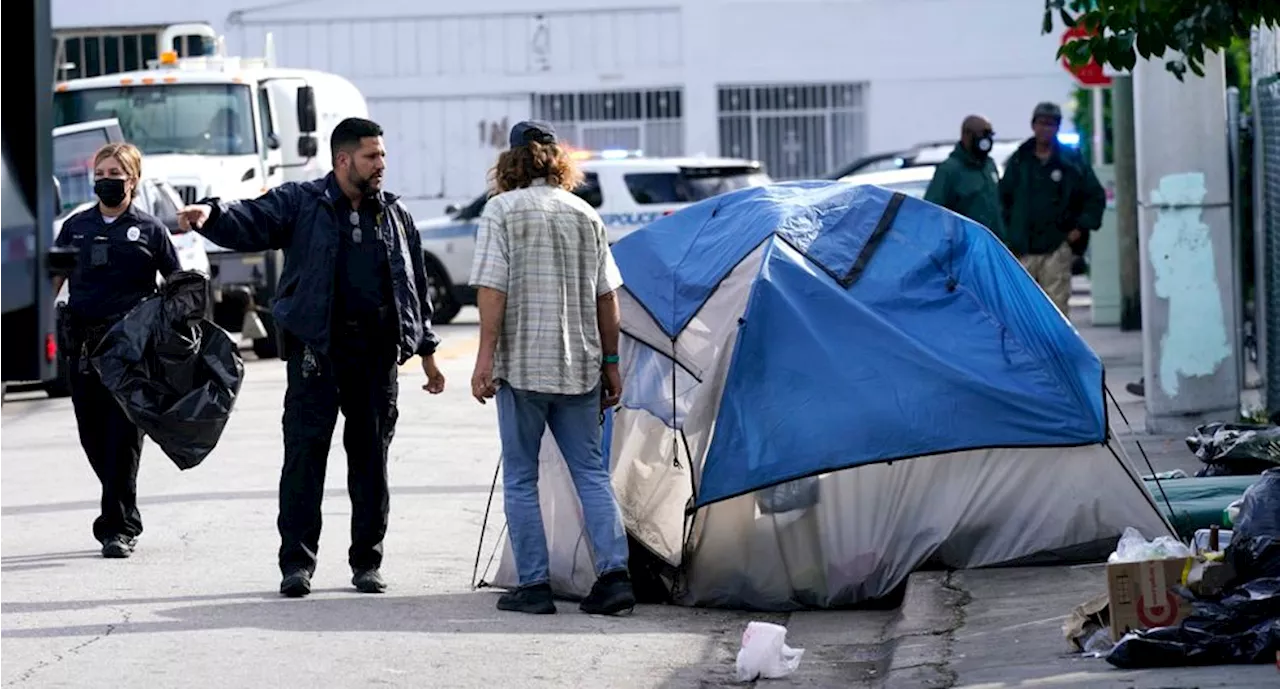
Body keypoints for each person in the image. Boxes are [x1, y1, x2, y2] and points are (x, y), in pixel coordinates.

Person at [176, 117, 446, 598]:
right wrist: (211, 215)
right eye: (371, 156)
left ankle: (367, 562)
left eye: (382, 155)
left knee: (371, 461)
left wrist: (425, 350)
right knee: (304, 458)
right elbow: (251, 218)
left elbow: (413, 286)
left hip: (375, 356)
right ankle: (296, 565)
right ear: (343, 160)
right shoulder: (303, 203)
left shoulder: (395, 215)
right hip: (317, 353)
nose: (380, 164)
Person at [469, 121, 634, 616]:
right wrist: (611, 364)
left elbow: (492, 289)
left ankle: (535, 586)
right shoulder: (586, 214)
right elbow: (608, 299)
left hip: (522, 366)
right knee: (590, 471)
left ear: (511, 162)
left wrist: (484, 358)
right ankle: (614, 577)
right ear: (558, 160)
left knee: (521, 477)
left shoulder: (501, 210)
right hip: (580, 365)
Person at [52, 142, 181, 559]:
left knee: (123, 438)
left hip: (131, 352)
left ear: (133, 180)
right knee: (93, 436)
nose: (106, 181)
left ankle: (118, 528)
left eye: (115, 174)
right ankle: (121, 510)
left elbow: (177, 284)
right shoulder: (74, 228)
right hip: (84, 349)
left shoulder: (150, 230)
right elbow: (50, 283)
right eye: (101, 173)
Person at [999, 102, 1106, 316]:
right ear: (1033, 125)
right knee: (1022, 311)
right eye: (1041, 123)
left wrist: (1079, 228)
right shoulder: (1020, 160)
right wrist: (1007, 237)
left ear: (1057, 128)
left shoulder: (1071, 161)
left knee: (1056, 311)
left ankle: (1056, 351)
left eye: (1051, 124)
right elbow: (1002, 199)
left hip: (1057, 247)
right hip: (1023, 249)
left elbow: (1094, 196)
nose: (1045, 129)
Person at [922, 115, 1006, 239]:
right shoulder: (949, 170)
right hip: (966, 247)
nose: (986, 140)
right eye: (982, 134)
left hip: (993, 245)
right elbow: (932, 210)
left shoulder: (990, 166)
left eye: (990, 135)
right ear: (967, 135)